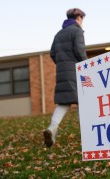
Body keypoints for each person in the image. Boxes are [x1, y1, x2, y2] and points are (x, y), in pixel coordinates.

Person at [43, 8, 87, 147]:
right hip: (76, 72)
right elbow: (80, 51)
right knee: (83, 101)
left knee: (63, 103)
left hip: (62, 72)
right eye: (82, 19)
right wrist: (88, 66)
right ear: (79, 17)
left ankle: (52, 128)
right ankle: (86, 134)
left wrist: (62, 64)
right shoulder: (77, 31)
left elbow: (52, 53)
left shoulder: (58, 34)